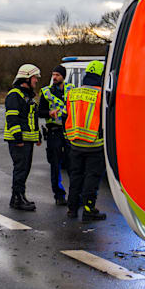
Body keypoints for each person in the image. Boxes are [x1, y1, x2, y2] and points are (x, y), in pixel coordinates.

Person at [64, 60, 107, 221]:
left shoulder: (73, 93)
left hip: (75, 143)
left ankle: (72, 209)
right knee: (92, 177)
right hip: (94, 144)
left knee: (75, 177)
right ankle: (89, 209)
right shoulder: (101, 94)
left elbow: (66, 116)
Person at [4, 64, 41, 211]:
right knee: (20, 169)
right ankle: (17, 199)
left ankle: (19, 196)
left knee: (25, 169)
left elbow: (32, 118)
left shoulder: (27, 96)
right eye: (34, 78)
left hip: (28, 139)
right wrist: (18, 138)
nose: (36, 81)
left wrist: (37, 135)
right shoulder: (15, 95)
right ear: (26, 78)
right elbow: (12, 118)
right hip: (19, 141)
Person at [38, 65, 74, 206]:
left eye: (57, 75)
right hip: (54, 131)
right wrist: (49, 113)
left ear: (63, 76)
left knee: (73, 165)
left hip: (69, 131)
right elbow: (39, 112)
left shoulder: (71, 90)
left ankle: (75, 195)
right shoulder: (46, 92)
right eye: (53, 74)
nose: (54, 77)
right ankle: (59, 195)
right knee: (55, 164)